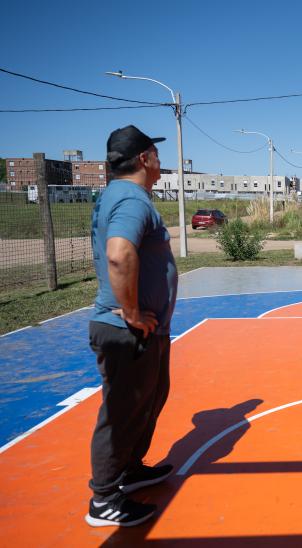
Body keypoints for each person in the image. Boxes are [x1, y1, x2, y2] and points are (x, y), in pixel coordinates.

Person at [85, 125, 179, 527]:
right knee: (123, 412)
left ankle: (130, 470)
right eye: (155, 154)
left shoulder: (120, 196)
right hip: (129, 330)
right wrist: (133, 313)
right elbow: (120, 254)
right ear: (144, 159)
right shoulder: (132, 200)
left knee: (149, 398)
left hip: (142, 330)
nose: (160, 161)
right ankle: (104, 500)